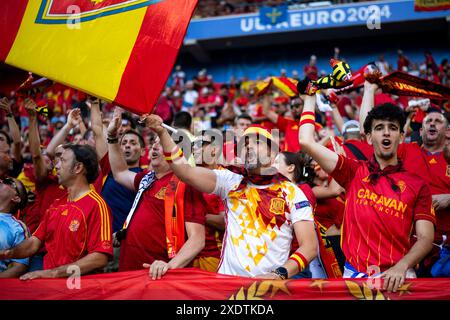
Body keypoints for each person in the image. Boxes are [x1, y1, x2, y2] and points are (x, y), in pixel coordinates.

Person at [143, 113, 318, 280]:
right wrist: (162, 132)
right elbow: (185, 171)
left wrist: (279, 274)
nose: (248, 146)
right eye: (245, 144)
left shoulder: (293, 193)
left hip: (270, 289)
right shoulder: (230, 181)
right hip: (228, 285)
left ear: (273, 153)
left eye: (256, 142)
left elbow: (309, 247)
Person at [299, 94, 435, 292]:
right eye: (379, 128)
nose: (386, 133)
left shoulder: (418, 185)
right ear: (369, 137)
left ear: (401, 136)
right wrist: (310, 99)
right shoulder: (353, 171)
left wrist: (402, 266)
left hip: (397, 280)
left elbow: (425, 238)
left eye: (393, 128)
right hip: (354, 280)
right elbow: (306, 141)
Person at [106, 109, 205, 279]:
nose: (154, 146)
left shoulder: (187, 185)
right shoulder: (146, 178)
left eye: (161, 143)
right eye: (154, 142)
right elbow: (120, 173)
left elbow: (197, 239)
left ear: (178, 152)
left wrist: (169, 266)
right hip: (128, 267)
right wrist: (112, 137)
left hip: (159, 274)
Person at [0, 144, 113, 279]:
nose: (57, 166)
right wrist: (8, 253)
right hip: (51, 287)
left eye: (63, 160)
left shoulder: (97, 205)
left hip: (77, 289)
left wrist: (53, 273)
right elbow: (34, 242)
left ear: (78, 168)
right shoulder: (56, 204)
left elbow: (100, 257)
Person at [191, 131, 226, 272]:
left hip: (214, 257)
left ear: (214, 149)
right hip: (186, 256)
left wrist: (195, 216)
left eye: (200, 145)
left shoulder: (225, 178)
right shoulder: (187, 177)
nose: (194, 148)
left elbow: (225, 222)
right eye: (193, 145)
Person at [0, 177, 29, 278]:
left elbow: (20, 267)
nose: (1, 180)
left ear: (16, 198)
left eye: (8, 182)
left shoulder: (18, 228)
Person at [0, 97, 23, 178]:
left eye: (1, 139)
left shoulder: (13, 161)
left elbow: (17, 142)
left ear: (8, 145)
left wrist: (8, 112)